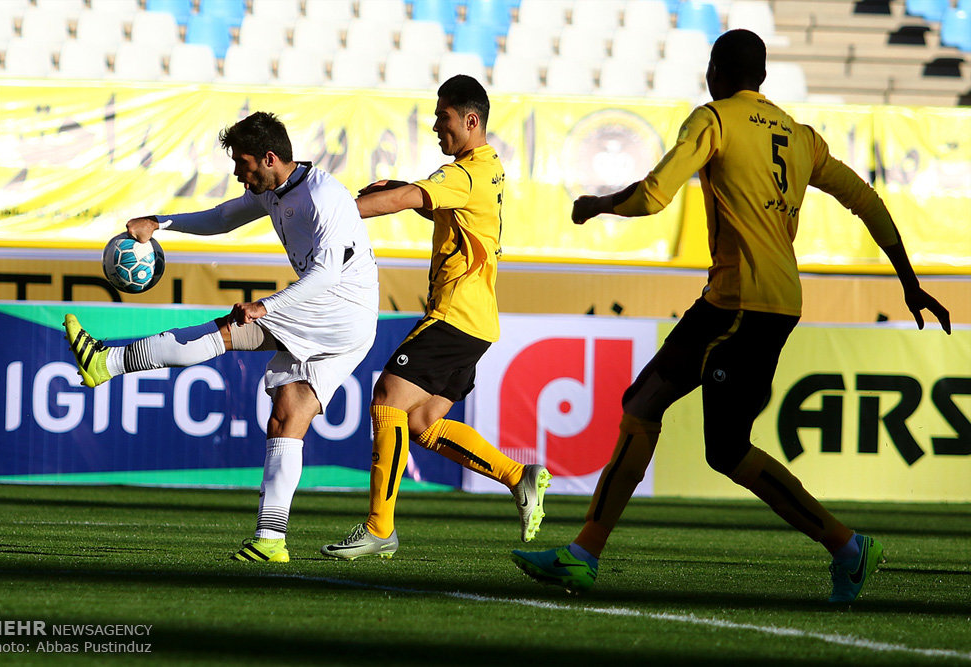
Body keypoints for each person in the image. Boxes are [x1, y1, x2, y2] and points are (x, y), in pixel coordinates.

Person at [511, 30, 951, 602]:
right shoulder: (800, 137)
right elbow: (864, 198)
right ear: (762, 76)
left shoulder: (714, 120)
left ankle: (847, 545)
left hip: (746, 305)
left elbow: (652, 195)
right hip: (744, 300)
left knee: (725, 450)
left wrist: (597, 206)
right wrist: (910, 283)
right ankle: (582, 554)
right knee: (641, 406)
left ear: (717, 69)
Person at [64, 111, 380, 563]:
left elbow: (327, 273)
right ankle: (271, 541)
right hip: (352, 323)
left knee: (227, 332)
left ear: (269, 158)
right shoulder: (277, 188)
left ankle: (107, 363)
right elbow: (221, 218)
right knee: (287, 420)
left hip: (336, 306)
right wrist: (159, 222)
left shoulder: (322, 195)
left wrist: (265, 307)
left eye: (243, 163)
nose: (237, 173)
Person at [321, 75, 551, 560]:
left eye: (442, 117)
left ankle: (379, 528)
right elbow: (445, 211)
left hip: (455, 314)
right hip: (478, 322)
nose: (434, 126)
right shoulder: (487, 169)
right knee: (423, 422)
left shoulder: (463, 174)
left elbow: (411, 199)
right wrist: (405, 187)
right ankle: (517, 476)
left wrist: (340, 212)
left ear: (471, 120)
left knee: (387, 397)